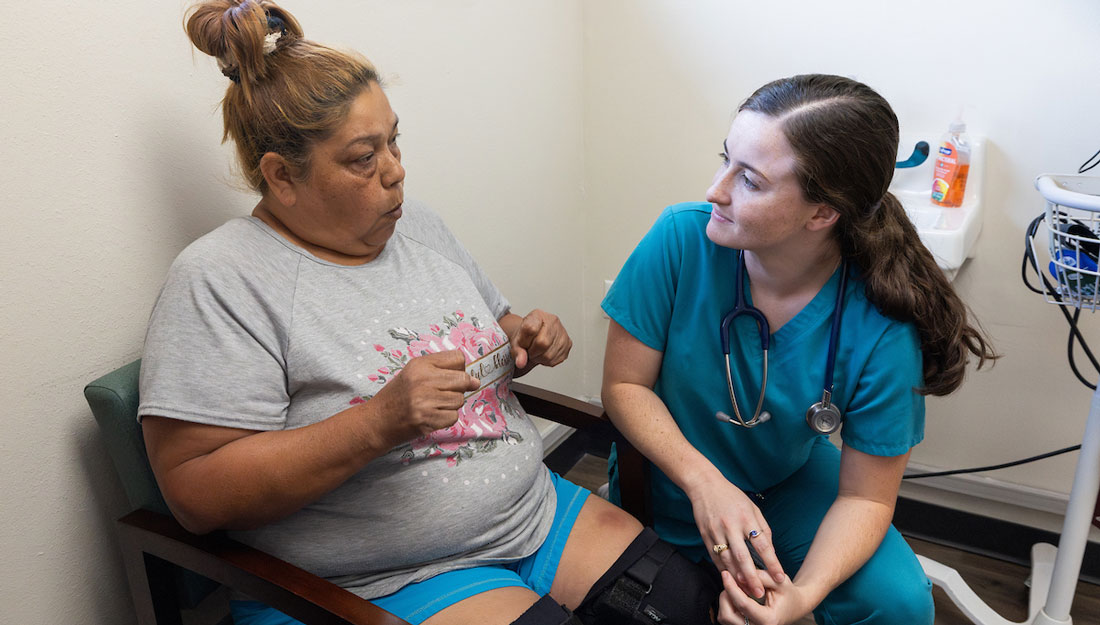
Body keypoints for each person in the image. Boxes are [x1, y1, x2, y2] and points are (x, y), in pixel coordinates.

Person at [139, 2, 719, 624]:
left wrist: (524, 336)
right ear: (282, 177)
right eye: (363, 157)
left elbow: (489, 336)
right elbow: (196, 494)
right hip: (381, 578)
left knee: (683, 605)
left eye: (393, 141)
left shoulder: (417, 228)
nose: (396, 172)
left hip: (530, 513)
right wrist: (378, 422)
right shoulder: (222, 279)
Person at [601, 74, 998, 625]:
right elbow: (624, 386)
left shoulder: (879, 324)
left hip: (784, 481)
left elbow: (867, 499)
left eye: (751, 181)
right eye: (725, 160)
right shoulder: (680, 240)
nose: (716, 190)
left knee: (900, 604)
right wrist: (707, 484)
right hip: (671, 474)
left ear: (822, 213)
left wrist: (802, 599)